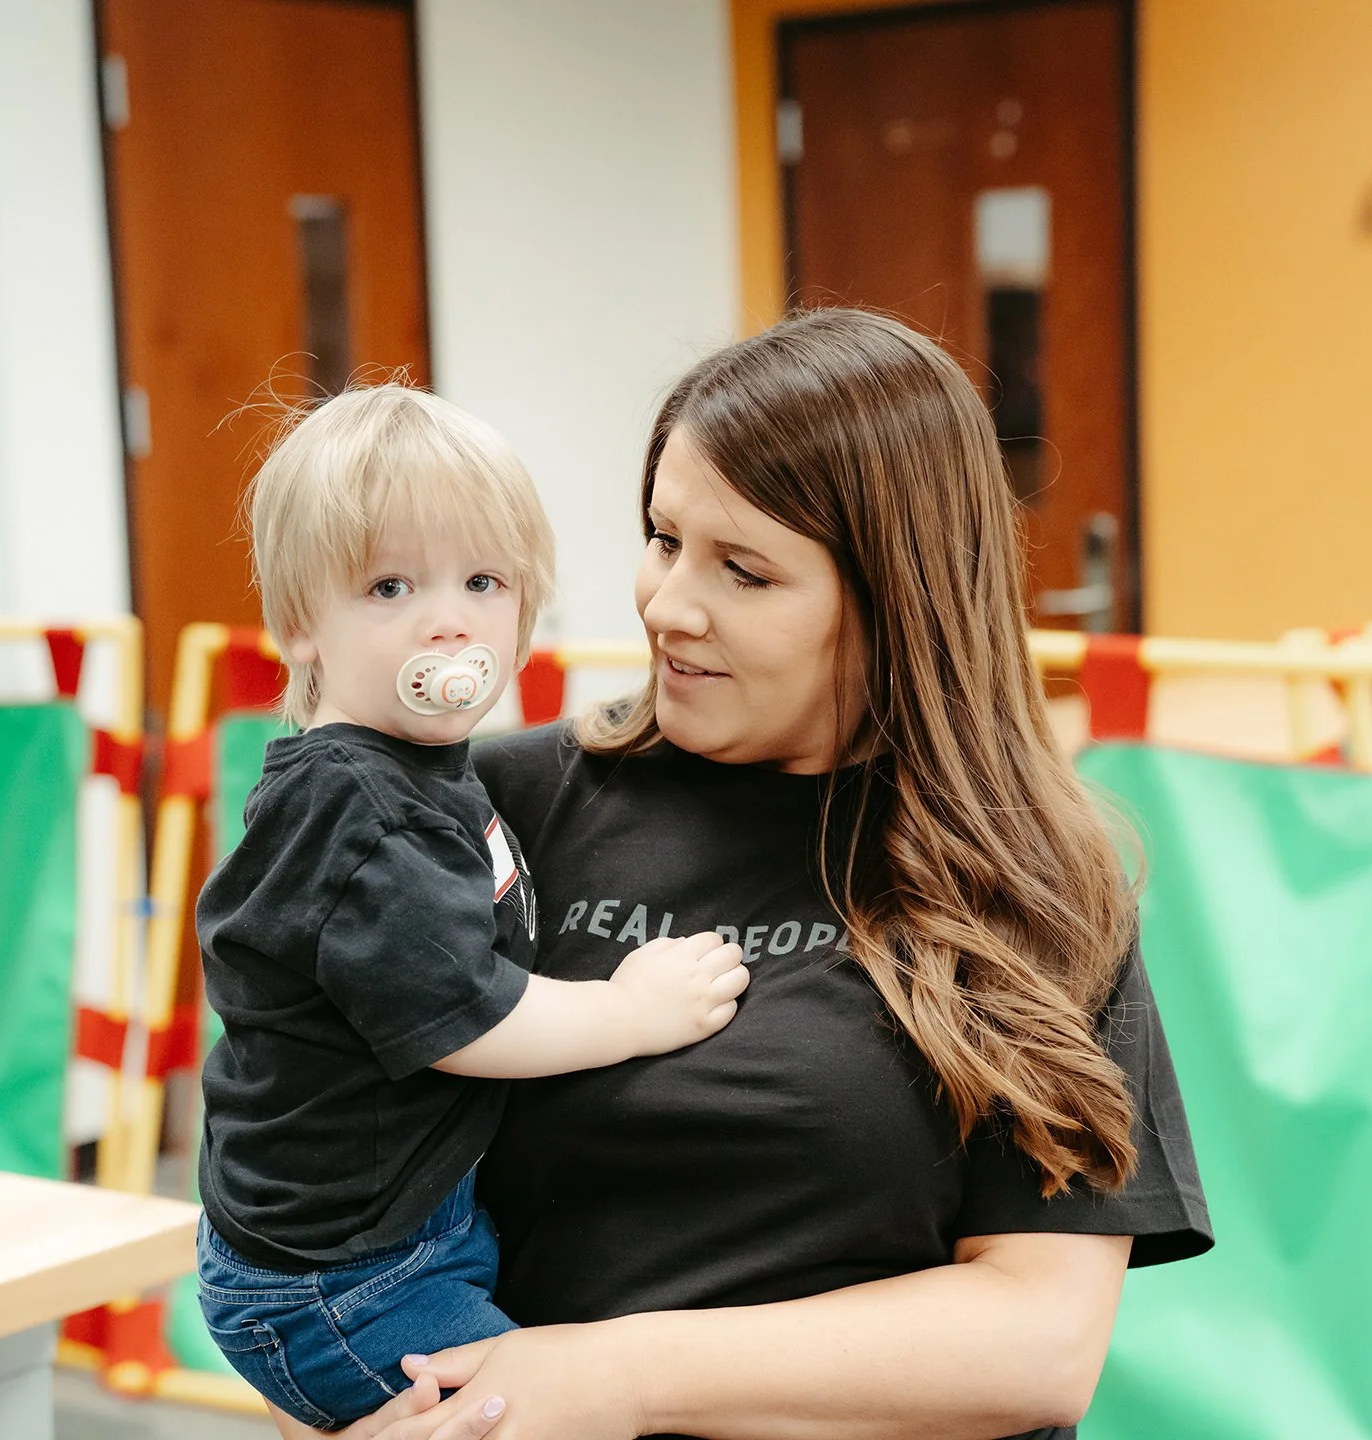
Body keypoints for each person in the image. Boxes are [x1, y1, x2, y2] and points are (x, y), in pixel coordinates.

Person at [320, 310, 1212, 1440]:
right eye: (662, 538)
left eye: (744, 571)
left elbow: (1037, 1339)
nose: (668, 606)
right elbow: (313, 1155)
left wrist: (620, 1376)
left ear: (899, 600)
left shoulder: (1026, 879)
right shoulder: (495, 811)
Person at [194, 384, 751, 1431]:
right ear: (298, 625)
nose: (447, 619)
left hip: (391, 1238)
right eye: (390, 585)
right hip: (344, 1278)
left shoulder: (423, 770)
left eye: (483, 581)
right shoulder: (356, 809)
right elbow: (470, 1018)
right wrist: (632, 1013)